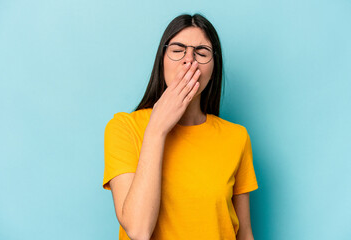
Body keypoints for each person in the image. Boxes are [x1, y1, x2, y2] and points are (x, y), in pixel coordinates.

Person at [102, 13, 259, 240]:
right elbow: (138, 231)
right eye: (177, 50)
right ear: (161, 60)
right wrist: (157, 129)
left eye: (202, 53)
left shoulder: (237, 137)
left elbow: (244, 233)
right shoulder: (124, 128)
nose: (190, 60)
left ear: (214, 67)